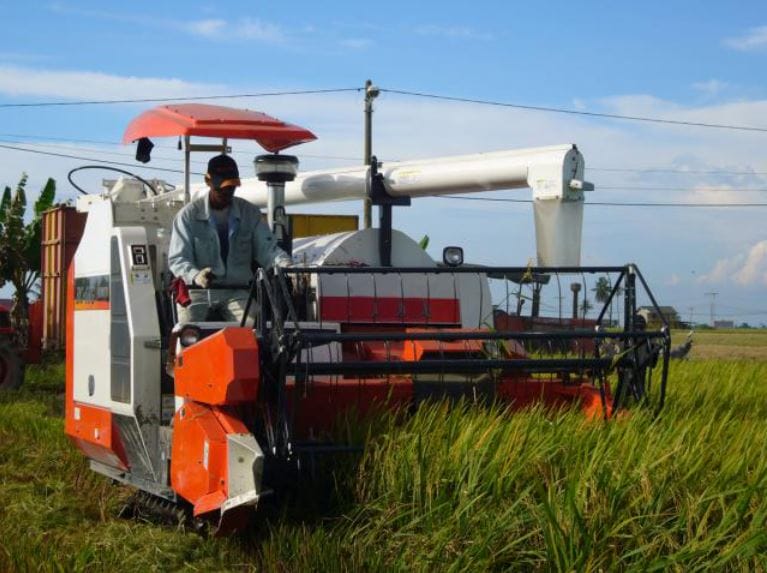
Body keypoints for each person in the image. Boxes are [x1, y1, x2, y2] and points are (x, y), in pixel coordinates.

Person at [168, 154, 290, 323]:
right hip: (196, 291)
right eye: (220, 188)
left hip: (236, 290)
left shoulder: (250, 213)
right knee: (187, 331)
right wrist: (196, 276)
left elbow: (268, 250)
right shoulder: (187, 216)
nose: (226, 193)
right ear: (207, 181)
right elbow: (178, 259)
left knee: (254, 326)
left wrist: (285, 264)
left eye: (230, 188)